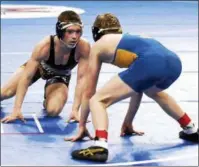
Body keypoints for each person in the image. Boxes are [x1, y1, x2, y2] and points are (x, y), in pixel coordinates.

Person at [68, 13, 199, 162]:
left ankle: (100, 145)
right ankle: (191, 130)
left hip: (149, 63)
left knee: (98, 100)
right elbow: (137, 86)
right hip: (174, 63)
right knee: (153, 91)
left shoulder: (99, 45)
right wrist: (128, 122)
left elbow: (89, 92)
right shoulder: (131, 38)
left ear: (96, 31)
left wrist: (82, 126)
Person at [1, 10, 91, 126]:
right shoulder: (44, 46)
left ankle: (48, 97)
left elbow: (82, 80)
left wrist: (75, 110)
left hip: (60, 75)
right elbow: (26, 77)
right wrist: (16, 110)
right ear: (60, 31)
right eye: (70, 32)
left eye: (78, 32)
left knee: (53, 111)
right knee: (5, 93)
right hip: (39, 68)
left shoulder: (83, 47)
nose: (74, 37)